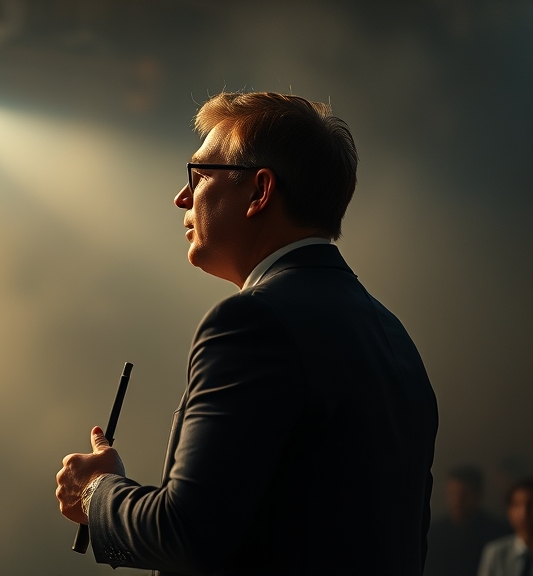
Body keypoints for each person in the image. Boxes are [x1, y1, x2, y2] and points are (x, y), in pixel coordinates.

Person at [54, 91, 439, 575]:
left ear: (259, 191)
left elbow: (187, 533)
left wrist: (95, 492)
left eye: (198, 175)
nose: (181, 198)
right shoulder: (395, 339)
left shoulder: (251, 322)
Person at [427, 465, 510, 576]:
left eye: (464, 494)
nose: (457, 500)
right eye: (452, 493)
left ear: (478, 494)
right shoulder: (434, 532)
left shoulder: (497, 532)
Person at [478, 478, 533, 576]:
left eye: (531, 505)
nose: (524, 513)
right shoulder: (495, 553)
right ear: (509, 511)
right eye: (517, 505)